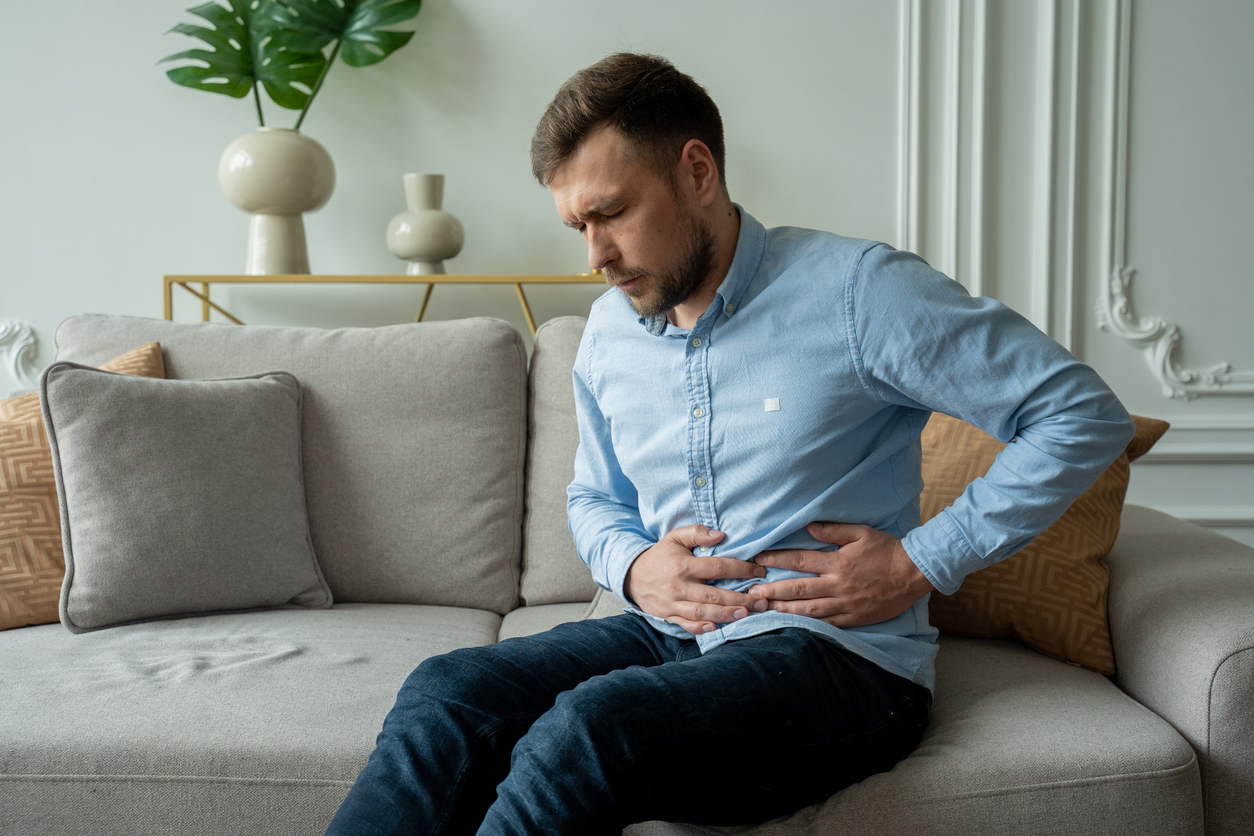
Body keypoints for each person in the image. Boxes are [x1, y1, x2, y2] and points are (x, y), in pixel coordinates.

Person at [325, 53, 1135, 836]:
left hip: (839, 663)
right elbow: (594, 499)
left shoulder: (860, 292)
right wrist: (637, 568)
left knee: (594, 729)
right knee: (449, 689)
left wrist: (921, 561)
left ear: (697, 172)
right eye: (578, 225)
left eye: (611, 213)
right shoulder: (610, 333)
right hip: (671, 635)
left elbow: (1079, 414)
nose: (595, 257)